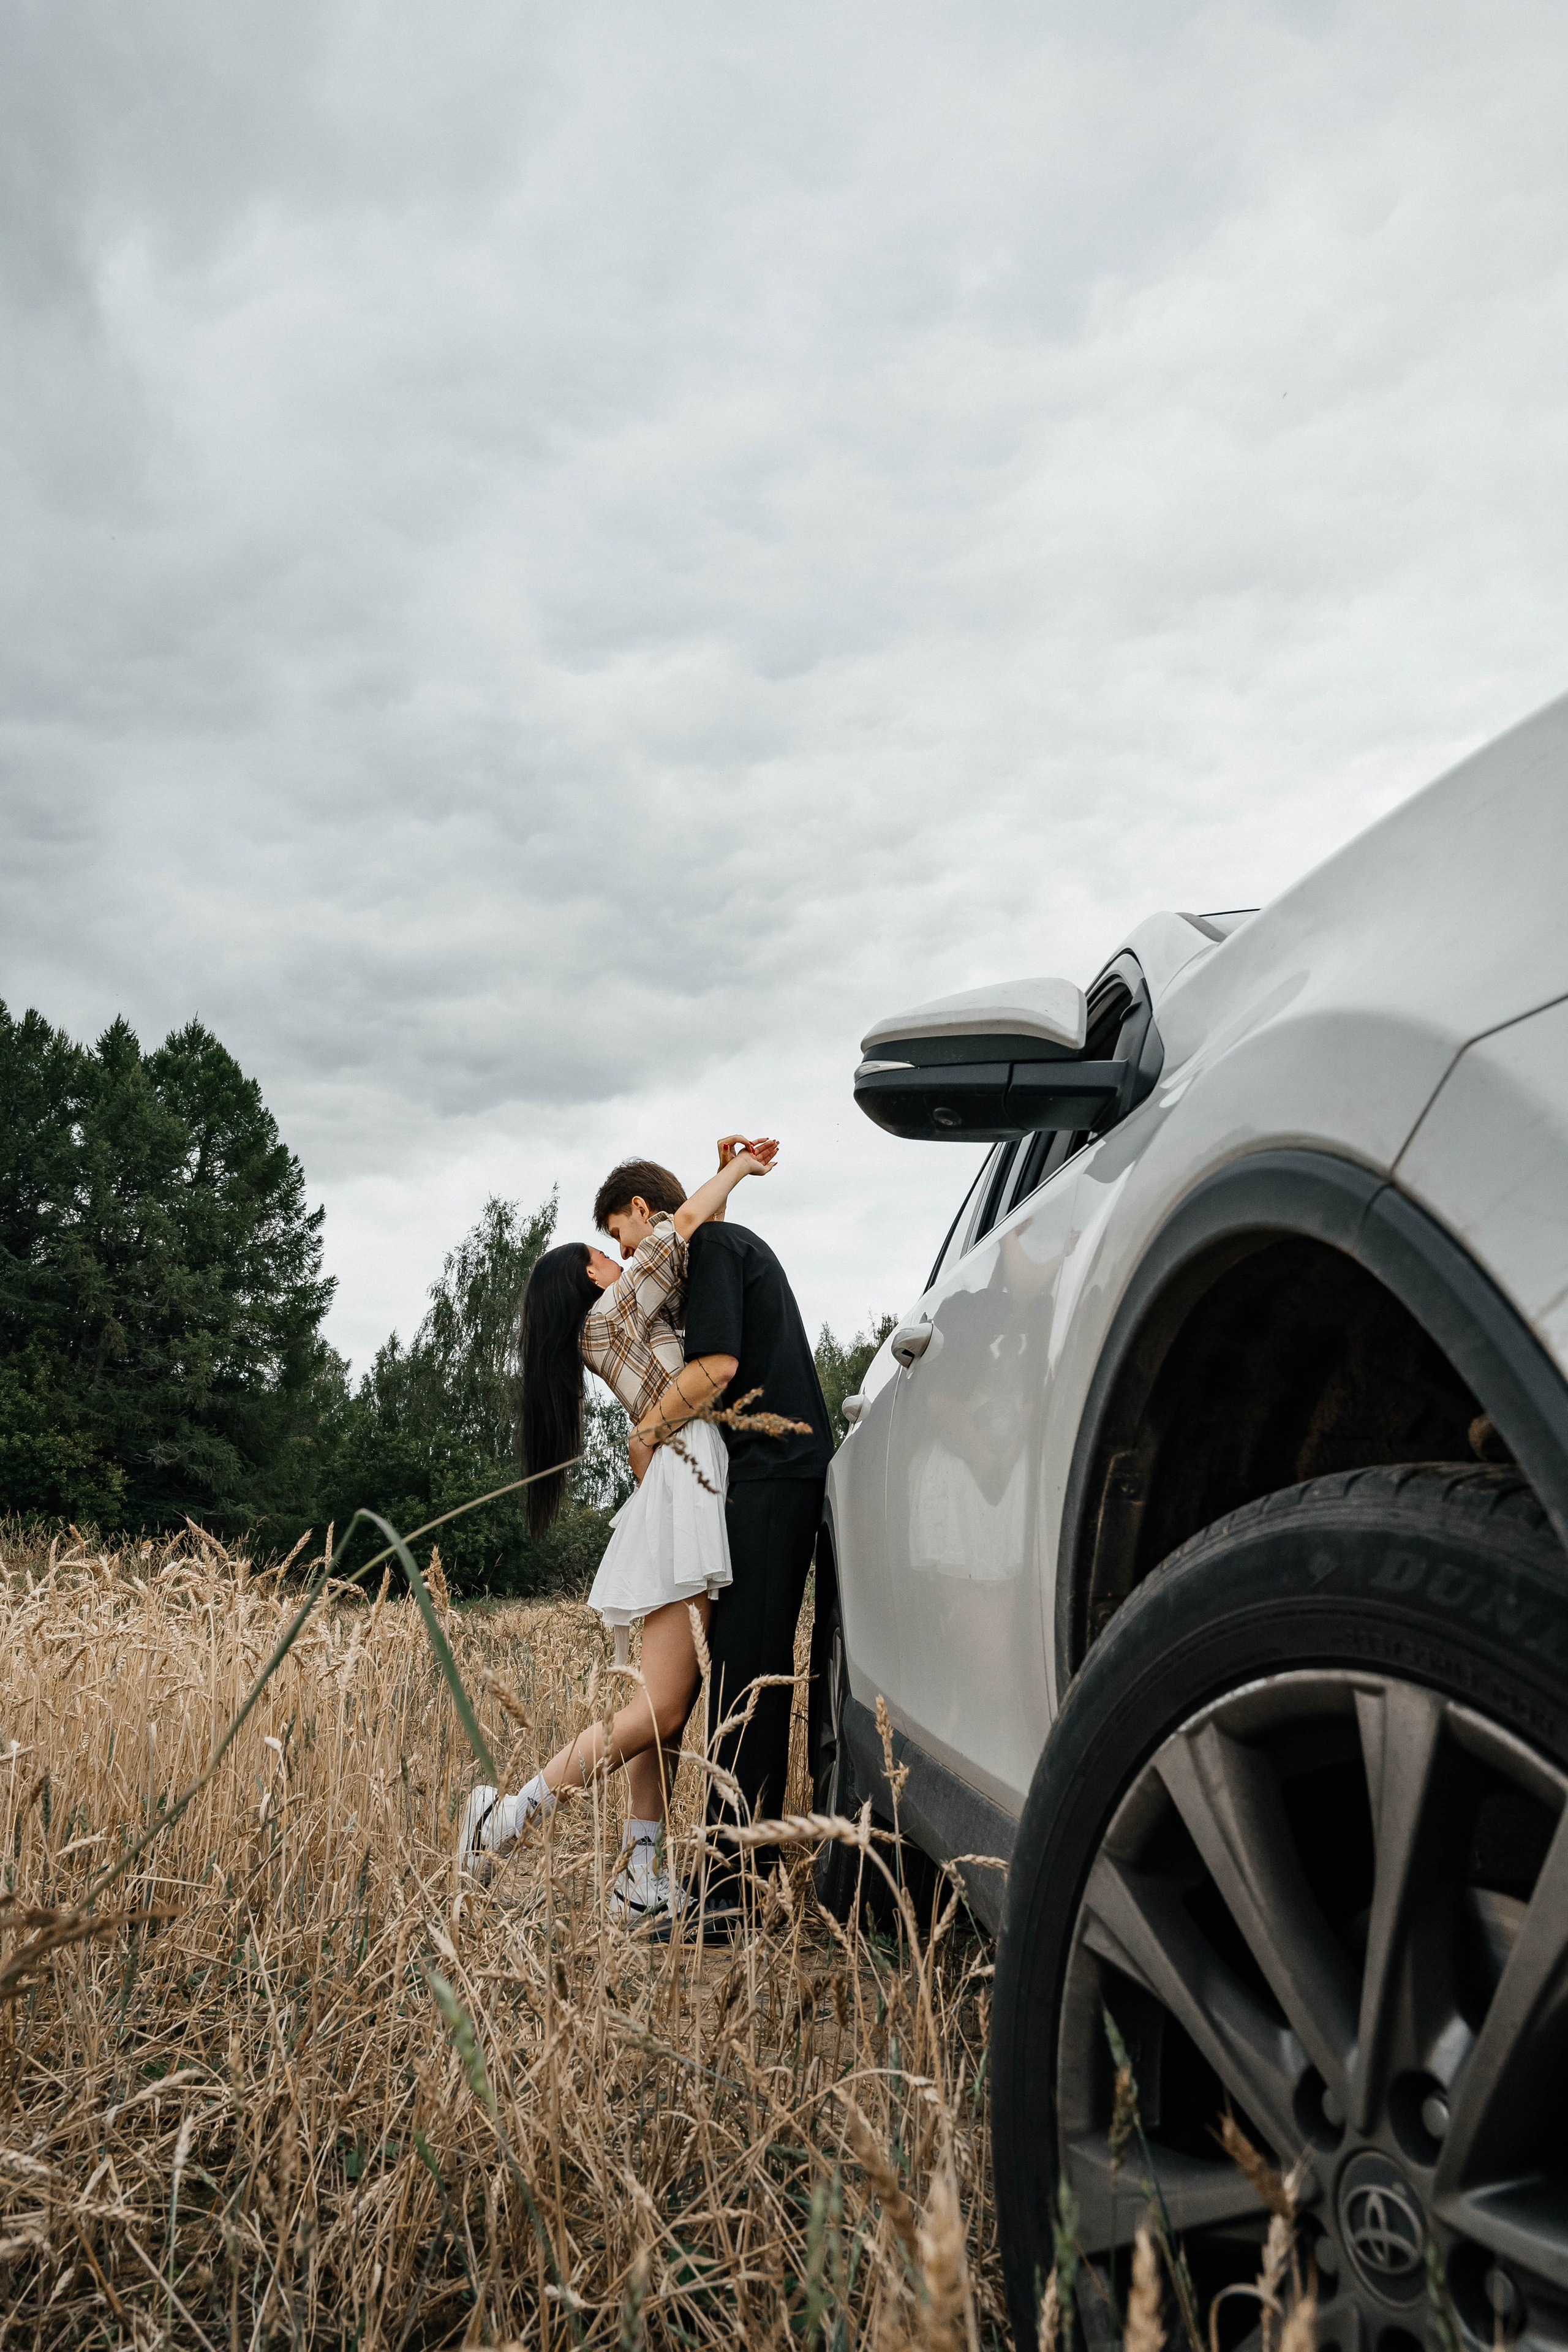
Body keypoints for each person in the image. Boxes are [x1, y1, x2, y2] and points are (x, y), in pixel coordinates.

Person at [456, 1139, 776, 1921]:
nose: (617, 1256)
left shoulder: (607, 1325)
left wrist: (722, 1193)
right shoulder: (618, 1302)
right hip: (686, 1480)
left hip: (672, 1480)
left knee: (660, 1708)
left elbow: (697, 1244)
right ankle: (505, 1819)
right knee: (663, 1709)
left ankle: (639, 1878)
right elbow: (687, 1219)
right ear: (589, 1278)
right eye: (603, 1252)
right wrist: (742, 1168)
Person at [600, 1139, 833, 1934]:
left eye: (617, 1235)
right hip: (765, 1476)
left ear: (643, 1212)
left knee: (747, 1678)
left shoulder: (721, 1248)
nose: (622, 1255)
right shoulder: (720, 1249)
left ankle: (733, 1896)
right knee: (742, 1674)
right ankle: (728, 1880)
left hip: (775, 1472)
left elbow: (717, 1366)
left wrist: (646, 1436)